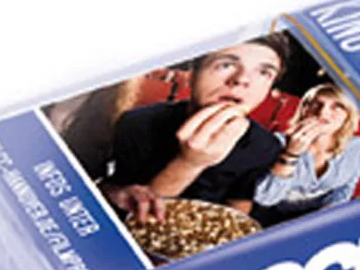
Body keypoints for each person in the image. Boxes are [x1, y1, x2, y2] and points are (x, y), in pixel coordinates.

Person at [100, 33, 291, 221]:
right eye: (226, 65)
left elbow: (240, 200)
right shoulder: (137, 122)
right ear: (193, 73)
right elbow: (123, 199)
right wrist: (189, 163)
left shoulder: (266, 145)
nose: (242, 79)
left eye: (264, 73)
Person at [253, 83, 360, 225]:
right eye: (316, 104)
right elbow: (265, 199)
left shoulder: (359, 148)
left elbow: (344, 190)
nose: (322, 113)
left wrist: (325, 220)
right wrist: (290, 154)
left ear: (349, 116)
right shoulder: (276, 143)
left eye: (337, 106)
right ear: (303, 110)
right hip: (268, 220)